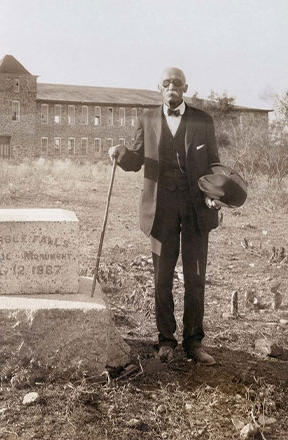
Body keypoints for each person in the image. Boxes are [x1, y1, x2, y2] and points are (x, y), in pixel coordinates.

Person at [109, 67, 220, 365]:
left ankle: (194, 342)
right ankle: (166, 341)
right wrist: (120, 153)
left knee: (195, 277)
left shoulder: (203, 120)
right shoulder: (147, 120)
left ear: (186, 87)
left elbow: (214, 165)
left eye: (177, 83)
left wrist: (214, 195)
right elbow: (135, 160)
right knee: (162, 278)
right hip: (161, 209)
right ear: (159, 87)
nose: (172, 87)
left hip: (196, 207)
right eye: (167, 83)